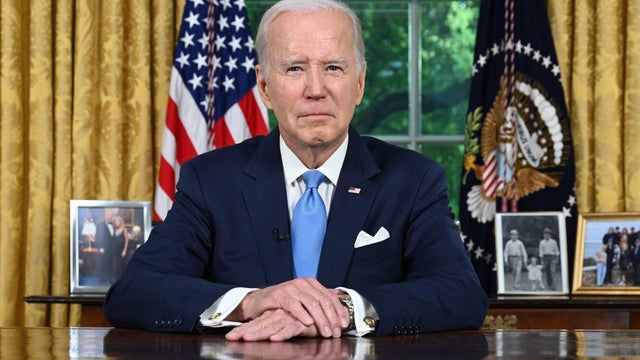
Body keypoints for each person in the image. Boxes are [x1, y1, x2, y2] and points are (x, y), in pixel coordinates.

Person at [104, 0, 487, 341]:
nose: (315, 89)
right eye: (294, 68)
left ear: (359, 83)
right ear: (265, 86)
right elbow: (135, 292)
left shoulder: (413, 179)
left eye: (334, 67)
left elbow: (460, 295)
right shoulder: (211, 180)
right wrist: (253, 302)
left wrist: (341, 308)